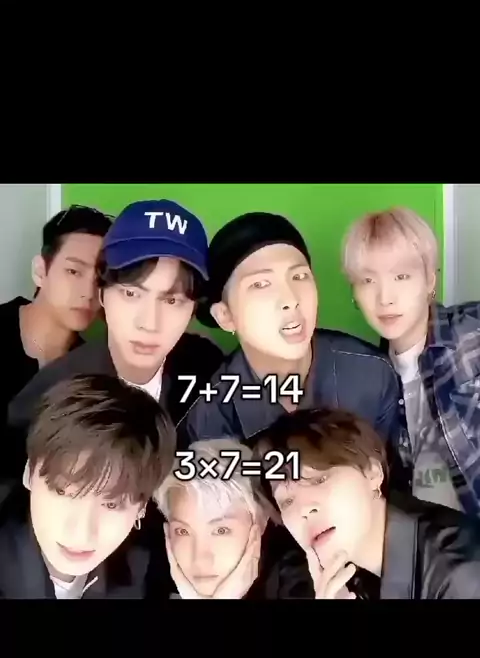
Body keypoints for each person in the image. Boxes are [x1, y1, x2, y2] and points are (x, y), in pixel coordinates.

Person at [8, 199, 225, 447]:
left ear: (193, 309)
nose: (149, 323)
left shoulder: (207, 366)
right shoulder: (49, 399)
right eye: (131, 294)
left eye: (172, 300)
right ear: (102, 294)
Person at [179, 211, 400, 448]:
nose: (290, 299)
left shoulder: (371, 374)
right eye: (260, 284)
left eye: (299, 276)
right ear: (225, 316)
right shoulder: (209, 415)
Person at [253, 407, 480, 599]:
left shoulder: (459, 577)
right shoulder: (313, 574)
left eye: (319, 480)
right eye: (287, 501)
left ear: (373, 473)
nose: (304, 509)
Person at [342, 206, 480, 517]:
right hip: (436, 541)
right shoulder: (370, 376)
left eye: (401, 276)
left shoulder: (472, 333)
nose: (385, 297)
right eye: (367, 280)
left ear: (430, 279)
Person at [0, 374, 176, 599]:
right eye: (63, 491)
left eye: (111, 504)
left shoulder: (144, 573)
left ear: (141, 508)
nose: (81, 532)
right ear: (29, 474)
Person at [0, 204, 112, 432]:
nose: (88, 292)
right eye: (74, 271)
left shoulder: (91, 373)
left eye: (100, 279)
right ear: (40, 271)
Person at [153, 437, 306, 599]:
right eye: (182, 531)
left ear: (261, 522)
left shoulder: (301, 582)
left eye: (221, 530)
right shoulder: (148, 581)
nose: (200, 560)